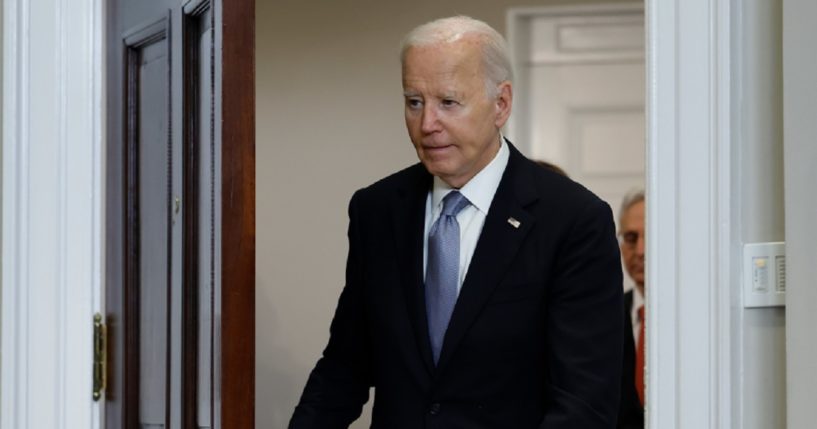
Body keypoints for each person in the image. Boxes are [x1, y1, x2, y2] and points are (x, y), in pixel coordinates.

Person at [289, 16, 623, 429]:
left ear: (501, 104)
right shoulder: (377, 210)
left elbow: (584, 404)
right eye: (414, 101)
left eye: (448, 102)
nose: (427, 124)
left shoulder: (573, 219)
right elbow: (345, 366)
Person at [616, 189, 646, 429]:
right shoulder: (608, 313)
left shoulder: (695, 318)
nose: (640, 252)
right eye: (631, 238)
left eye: (651, 236)